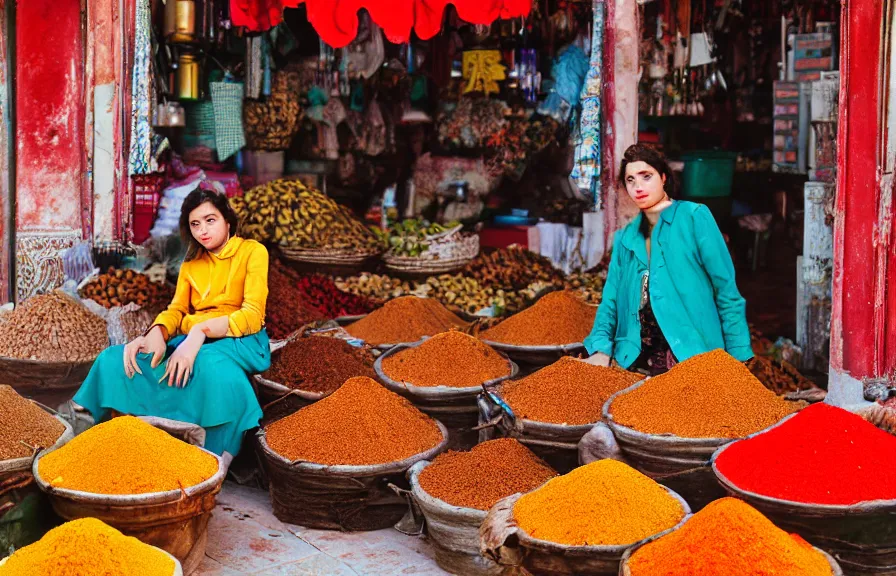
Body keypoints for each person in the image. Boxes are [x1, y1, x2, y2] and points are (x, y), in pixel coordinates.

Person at [73, 188, 269, 460]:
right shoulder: (191, 264)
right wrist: (156, 332)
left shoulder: (252, 252)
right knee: (114, 358)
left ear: (227, 220)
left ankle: (210, 457)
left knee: (210, 369)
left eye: (210, 220)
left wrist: (200, 332)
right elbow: (176, 309)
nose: (203, 231)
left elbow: (252, 314)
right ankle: (127, 442)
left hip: (239, 339)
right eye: (195, 224)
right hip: (192, 337)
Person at [582, 144, 752, 375]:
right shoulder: (625, 238)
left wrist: (738, 357)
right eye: (630, 180)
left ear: (663, 178)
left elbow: (726, 290)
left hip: (692, 357)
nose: (638, 187)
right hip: (637, 360)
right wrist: (601, 349)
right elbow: (610, 301)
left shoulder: (694, 218)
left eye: (646, 176)